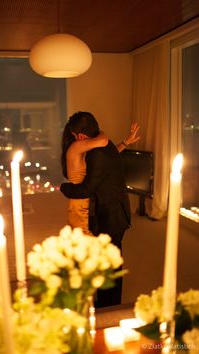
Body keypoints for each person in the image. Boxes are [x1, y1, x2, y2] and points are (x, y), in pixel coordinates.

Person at [60, 111, 140, 307]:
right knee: (104, 260)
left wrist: (63, 187)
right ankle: (98, 301)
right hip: (99, 208)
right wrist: (109, 136)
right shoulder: (97, 145)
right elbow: (104, 143)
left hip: (107, 213)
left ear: (78, 135)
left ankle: (108, 306)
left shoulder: (96, 149)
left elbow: (89, 185)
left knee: (109, 263)